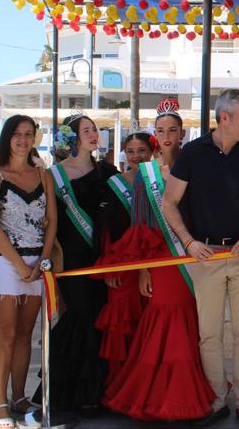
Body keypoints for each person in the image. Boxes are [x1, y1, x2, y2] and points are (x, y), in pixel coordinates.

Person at [102, 101, 219, 422]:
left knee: (193, 321)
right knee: (167, 318)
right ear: (155, 134)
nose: (166, 136)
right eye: (161, 130)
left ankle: (190, 390)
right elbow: (140, 224)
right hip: (161, 259)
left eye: (172, 130)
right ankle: (162, 396)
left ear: (182, 134)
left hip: (194, 255)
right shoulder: (146, 175)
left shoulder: (195, 167)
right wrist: (143, 269)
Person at [163, 89, 239, 429]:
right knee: (209, 335)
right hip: (206, 255)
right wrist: (189, 242)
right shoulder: (193, 153)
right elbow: (169, 203)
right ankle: (215, 400)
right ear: (224, 117)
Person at [36, 112, 118, 415]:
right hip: (71, 256)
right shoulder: (55, 175)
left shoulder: (107, 171)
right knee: (79, 316)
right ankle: (69, 393)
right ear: (72, 137)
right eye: (86, 131)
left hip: (102, 256)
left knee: (98, 316)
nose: (93, 135)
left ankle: (98, 393)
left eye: (94, 129)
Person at [0, 115, 55, 428]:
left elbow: (52, 221)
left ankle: (19, 397)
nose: (23, 140)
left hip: (37, 265)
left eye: (28, 134)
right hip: (3, 264)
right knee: (6, 335)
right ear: (7, 137)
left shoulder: (43, 176)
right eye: (17, 134)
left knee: (26, 334)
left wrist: (43, 260)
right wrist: (20, 265)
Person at [93, 130, 153, 382]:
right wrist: (110, 267)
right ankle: (121, 383)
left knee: (149, 326)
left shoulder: (160, 180)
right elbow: (106, 231)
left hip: (154, 261)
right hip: (123, 265)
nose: (136, 156)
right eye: (130, 151)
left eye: (141, 151)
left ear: (151, 151)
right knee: (122, 324)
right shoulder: (114, 184)